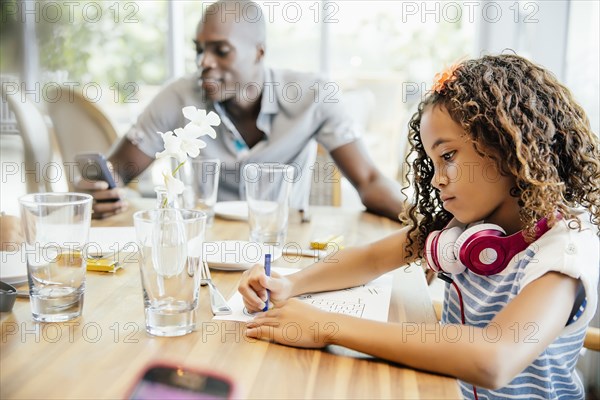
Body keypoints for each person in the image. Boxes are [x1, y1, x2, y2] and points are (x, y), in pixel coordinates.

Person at [238, 54, 600, 399]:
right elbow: (369, 259)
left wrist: (326, 325)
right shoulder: (466, 226)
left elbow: (495, 359)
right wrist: (290, 284)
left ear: (506, 144)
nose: (437, 180)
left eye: (448, 156)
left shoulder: (563, 250)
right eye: (432, 162)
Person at [78, 0, 405, 220]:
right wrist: (96, 193)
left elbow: (370, 179)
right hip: (208, 245)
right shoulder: (178, 96)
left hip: (285, 245)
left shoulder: (315, 96)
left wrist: (423, 221)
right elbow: (117, 172)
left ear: (259, 52)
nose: (204, 62)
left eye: (221, 51)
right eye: (200, 50)